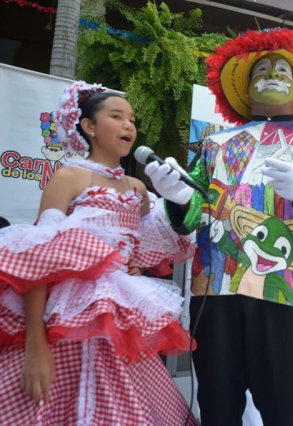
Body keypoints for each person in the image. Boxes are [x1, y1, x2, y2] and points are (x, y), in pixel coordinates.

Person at [144, 28, 293, 426]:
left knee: (284, 404)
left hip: (283, 292)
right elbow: (191, 216)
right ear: (244, 86)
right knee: (217, 399)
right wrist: (176, 197)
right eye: (262, 68)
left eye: (282, 69)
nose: (273, 74)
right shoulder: (214, 144)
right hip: (216, 290)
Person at [0, 82, 196, 424]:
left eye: (132, 119)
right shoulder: (69, 178)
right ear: (88, 126)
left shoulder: (137, 189)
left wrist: (132, 262)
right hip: (66, 320)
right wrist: (36, 346)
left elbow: (148, 245)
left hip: (119, 320)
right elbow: (38, 262)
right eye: (116, 116)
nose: (128, 126)